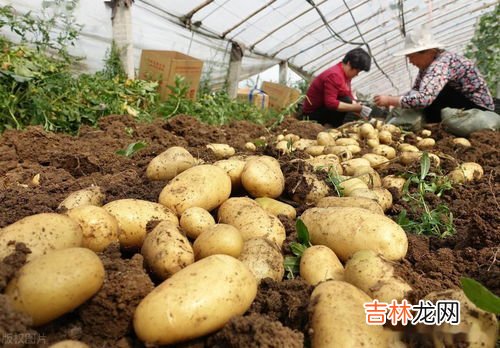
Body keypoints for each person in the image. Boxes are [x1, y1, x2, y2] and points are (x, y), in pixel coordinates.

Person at [374, 26, 494, 123]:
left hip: (477, 108)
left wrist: (390, 100)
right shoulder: (428, 65)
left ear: (427, 52)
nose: (410, 61)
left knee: (432, 98)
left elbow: (424, 99)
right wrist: (394, 100)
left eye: (411, 57)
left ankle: (433, 125)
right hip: (463, 103)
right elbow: (415, 90)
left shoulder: (441, 64)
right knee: (424, 94)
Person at [301, 47, 373, 127]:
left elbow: (347, 94)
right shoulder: (335, 75)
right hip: (311, 115)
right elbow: (331, 103)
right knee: (346, 101)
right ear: (349, 64)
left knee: (347, 100)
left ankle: (332, 127)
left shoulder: (345, 76)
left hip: (321, 109)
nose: (357, 74)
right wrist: (354, 107)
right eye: (357, 71)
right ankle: (330, 127)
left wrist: (359, 108)